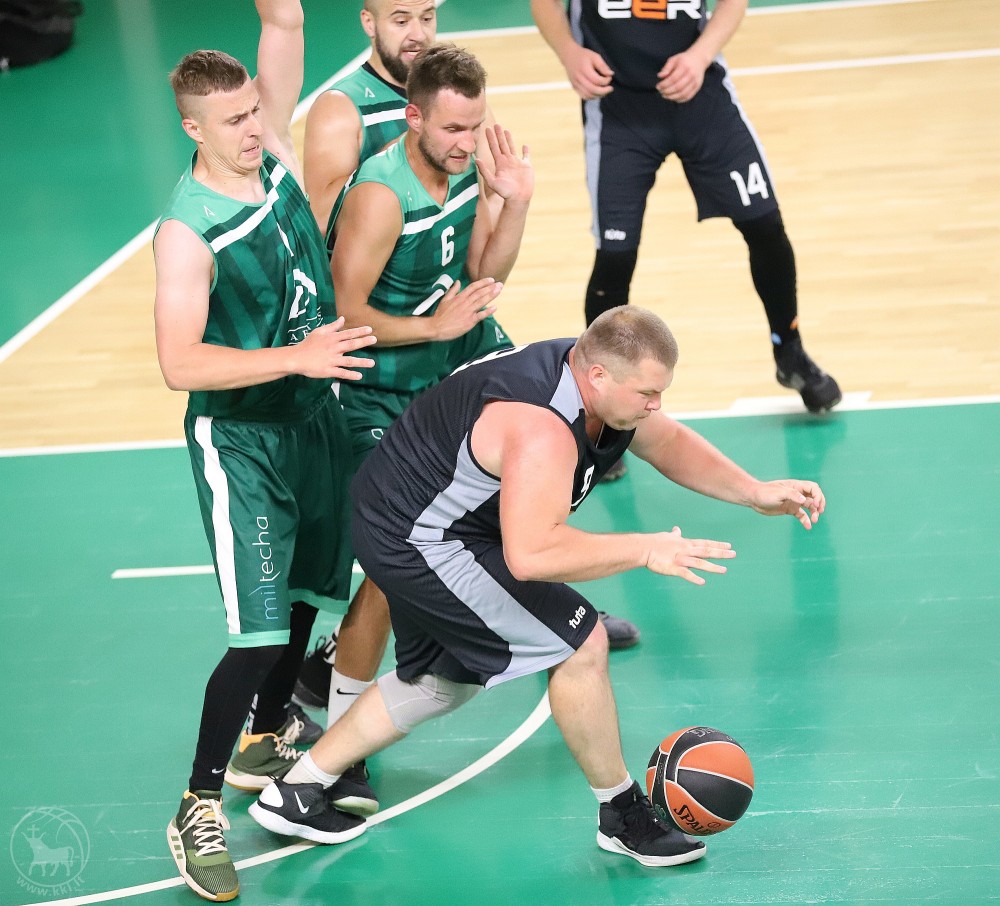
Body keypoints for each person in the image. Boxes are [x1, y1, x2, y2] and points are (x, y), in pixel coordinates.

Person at [246, 305, 826, 866]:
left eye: (660, 392)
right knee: (581, 644)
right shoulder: (541, 426)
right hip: (420, 535)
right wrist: (647, 548)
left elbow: (666, 441)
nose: (656, 405)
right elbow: (532, 555)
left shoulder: (598, 383)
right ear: (597, 375)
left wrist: (753, 491)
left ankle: (297, 790)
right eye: (647, 393)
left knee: (443, 682)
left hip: (424, 519)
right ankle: (622, 816)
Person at [152, 1, 377, 899]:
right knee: (254, 634)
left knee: (311, 595)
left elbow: (283, 32)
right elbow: (179, 363)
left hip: (314, 420)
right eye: (234, 121)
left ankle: (266, 735)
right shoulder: (186, 232)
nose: (254, 129)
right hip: (241, 440)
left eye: (255, 111)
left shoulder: (270, 153)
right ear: (193, 129)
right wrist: (297, 356)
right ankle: (197, 805)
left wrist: (281, 17)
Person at [530, 0, 842, 481]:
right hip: (618, 108)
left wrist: (701, 54)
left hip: (701, 99)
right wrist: (568, 51)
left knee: (765, 226)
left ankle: (790, 351)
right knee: (614, 256)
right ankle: (598, 410)